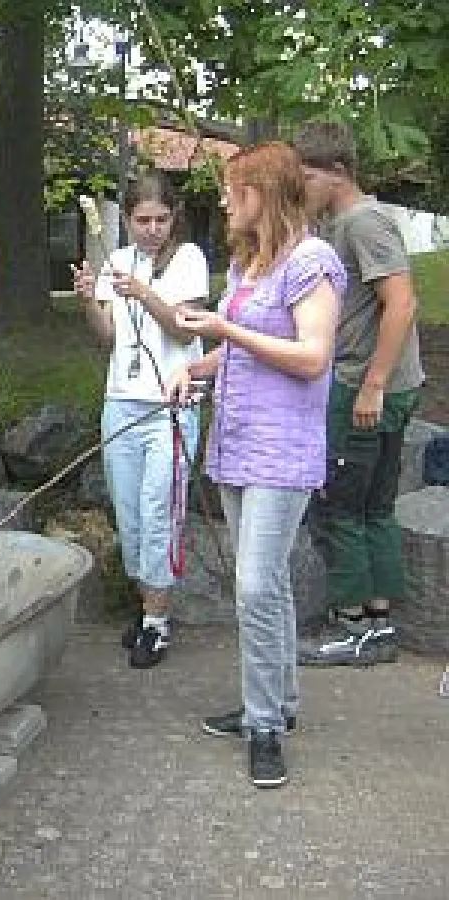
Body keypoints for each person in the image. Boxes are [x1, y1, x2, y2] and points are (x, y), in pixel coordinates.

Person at [164, 142, 346, 789]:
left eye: (232, 189)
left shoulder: (312, 261)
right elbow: (242, 354)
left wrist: (226, 331)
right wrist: (197, 368)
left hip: (282, 452)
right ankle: (280, 705)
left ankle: (264, 725)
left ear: (263, 194)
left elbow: (312, 356)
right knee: (268, 584)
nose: (221, 200)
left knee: (254, 586)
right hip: (238, 444)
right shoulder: (250, 263)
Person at [292, 121, 424, 667]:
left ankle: (353, 628)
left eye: (306, 178)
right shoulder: (340, 223)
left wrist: (371, 385)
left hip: (364, 387)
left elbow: (403, 304)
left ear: (337, 173)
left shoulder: (364, 222)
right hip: (378, 386)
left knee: (343, 509)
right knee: (373, 508)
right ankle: (379, 625)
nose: (301, 190)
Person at [72, 173, 209, 668]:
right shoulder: (119, 260)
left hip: (169, 404)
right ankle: (144, 606)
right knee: (128, 511)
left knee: (159, 510)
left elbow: (184, 324)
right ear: (126, 221)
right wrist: (91, 296)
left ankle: (158, 619)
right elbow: (108, 335)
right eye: (141, 220)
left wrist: (143, 293)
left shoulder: (188, 259)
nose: (151, 229)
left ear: (173, 218)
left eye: (160, 219)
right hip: (122, 399)